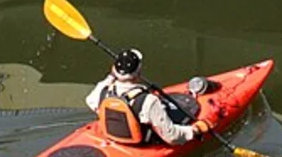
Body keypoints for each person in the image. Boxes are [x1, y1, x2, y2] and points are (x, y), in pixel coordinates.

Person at [84, 48, 212, 147]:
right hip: (142, 145)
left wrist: (111, 76)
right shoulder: (148, 101)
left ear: (113, 69)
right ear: (139, 72)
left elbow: (90, 100)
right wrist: (195, 130)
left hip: (113, 137)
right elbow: (172, 137)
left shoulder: (102, 91)